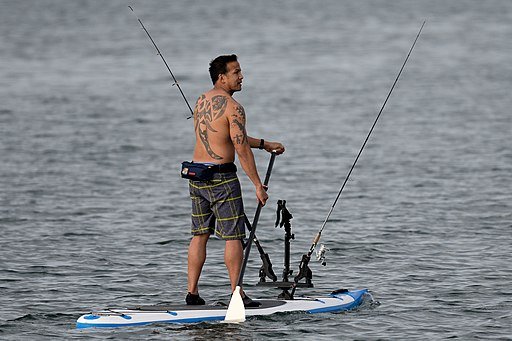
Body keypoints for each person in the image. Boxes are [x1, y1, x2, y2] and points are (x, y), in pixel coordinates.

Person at [186, 54, 285, 306]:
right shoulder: (234, 107)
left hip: (197, 174)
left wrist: (263, 144)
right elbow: (240, 147)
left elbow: (227, 136)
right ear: (222, 77)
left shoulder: (201, 100)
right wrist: (257, 185)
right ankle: (236, 294)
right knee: (233, 237)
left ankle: (192, 293)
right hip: (222, 178)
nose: (242, 77)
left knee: (200, 235)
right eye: (236, 72)